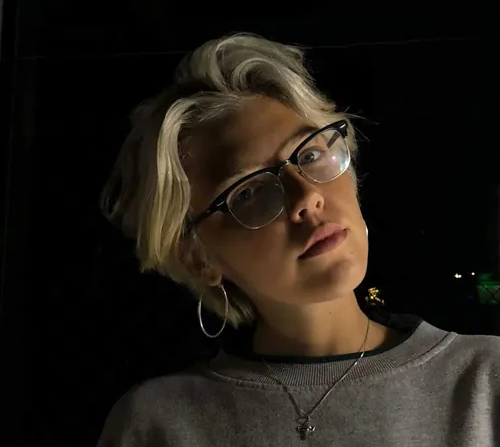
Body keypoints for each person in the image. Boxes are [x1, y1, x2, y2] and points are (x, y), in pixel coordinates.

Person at [96, 33, 500, 447]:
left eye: (309, 155)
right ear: (199, 259)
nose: (307, 196)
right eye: (249, 192)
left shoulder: (485, 380)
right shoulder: (157, 424)